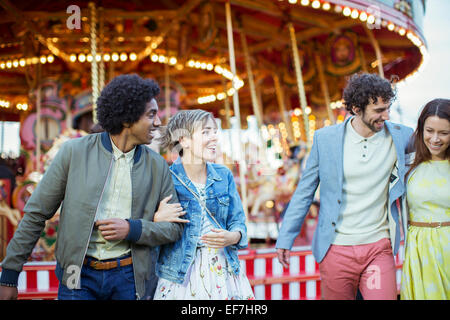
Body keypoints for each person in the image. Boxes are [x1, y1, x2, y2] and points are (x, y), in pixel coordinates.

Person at [0, 74, 184, 300]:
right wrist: (9, 274)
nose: (158, 122)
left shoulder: (157, 166)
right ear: (128, 118)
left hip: (130, 275)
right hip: (77, 274)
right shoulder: (73, 153)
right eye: (151, 115)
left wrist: (132, 229)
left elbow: (175, 229)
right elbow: (36, 213)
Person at [276, 73, 414, 300]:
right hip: (336, 248)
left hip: (378, 247)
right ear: (357, 109)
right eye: (379, 111)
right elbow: (304, 192)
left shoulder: (401, 136)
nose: (386, 116)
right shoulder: (325, 139)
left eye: (388, 108)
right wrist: (285, 237)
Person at [153, 109, 254, 300]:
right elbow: (147, 227)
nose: (214, 138)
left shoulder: (223, 175)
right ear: (184, 139)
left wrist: (232, 236)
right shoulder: (165, 179)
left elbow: (238, 221)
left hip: (224, 271)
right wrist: (156, 219)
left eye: (215, 131)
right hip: (181, 274)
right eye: (206, 132)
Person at [400, 98, 450, 300]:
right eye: (430, 131)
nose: (435, 139)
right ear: (421, 129)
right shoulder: (407, 165)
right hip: (419, 250)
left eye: (444, 133)